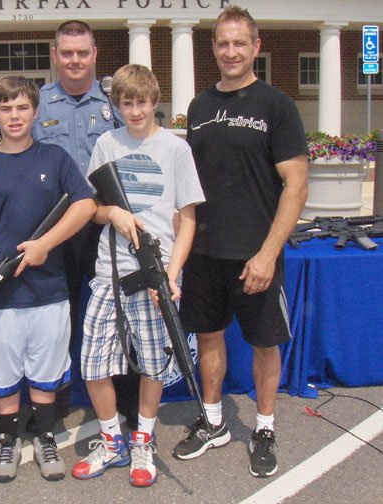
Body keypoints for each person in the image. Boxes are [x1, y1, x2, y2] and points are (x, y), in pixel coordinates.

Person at [173, 6, 309, 479]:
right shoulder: (199, 107)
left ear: (255, 46)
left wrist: (269, 254)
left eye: (239, 43)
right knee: (208, 335)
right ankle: (214, 422)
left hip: (256, 254)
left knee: (263, 343)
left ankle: (265, 427)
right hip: (205, 253)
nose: (230, 51)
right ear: (213, 48)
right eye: (222, 43)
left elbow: (296, 186)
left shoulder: (277, 105)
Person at [72, 64, 204, 487]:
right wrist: (114, 212)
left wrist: (170, 273)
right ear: (117, 105)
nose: (135, 111)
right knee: (92, 363)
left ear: (155, 101)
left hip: (154, 274)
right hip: (110, 272)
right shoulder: (107, 143)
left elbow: (187, 219)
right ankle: (113, 441)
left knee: (153, 365)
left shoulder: (175, 149)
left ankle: (142, 439)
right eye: (126, 103)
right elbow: (92, 208)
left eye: (141, 102)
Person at [0, 76, 96, 482]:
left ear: (35, 111)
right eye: (5, 109)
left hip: (49, 289)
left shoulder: (54, 159)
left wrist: (44, 245)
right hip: (0, 295)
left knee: (45, 368)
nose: (14, 116)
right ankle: (7, 440)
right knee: (2, 372)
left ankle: (46, 436)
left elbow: (86, 204)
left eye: (22, 107)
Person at [32, 19, 138, 429]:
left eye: (83, 53)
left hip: (106, 223)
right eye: (67, 53)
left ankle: (123, 400)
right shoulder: (37, 103)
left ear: (94, 55)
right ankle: (53, 404)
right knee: (58, 315)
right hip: (56, 228)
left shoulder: (116, 101)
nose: (75, 60)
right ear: (55, 55)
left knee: (117, 311)